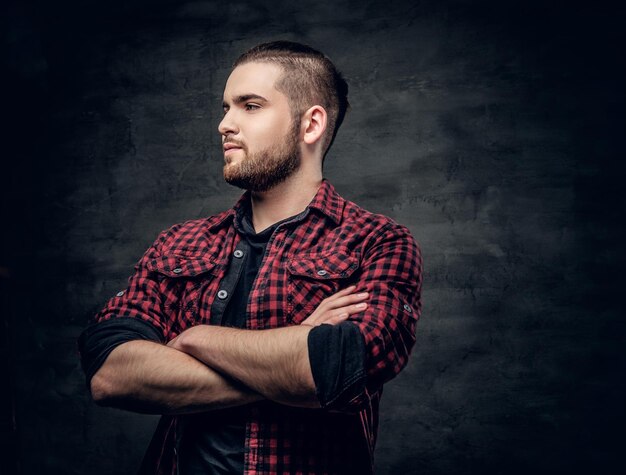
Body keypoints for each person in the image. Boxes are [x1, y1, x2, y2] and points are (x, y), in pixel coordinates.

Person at [79, 41, 423, 475]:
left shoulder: (376, 243)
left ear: (310, 123)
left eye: (251, 106)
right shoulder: (179, 244)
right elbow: (112, 375)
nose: (225, 124)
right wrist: (294, 348)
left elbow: (339, 371)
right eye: (225, 108)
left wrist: (194, 338)